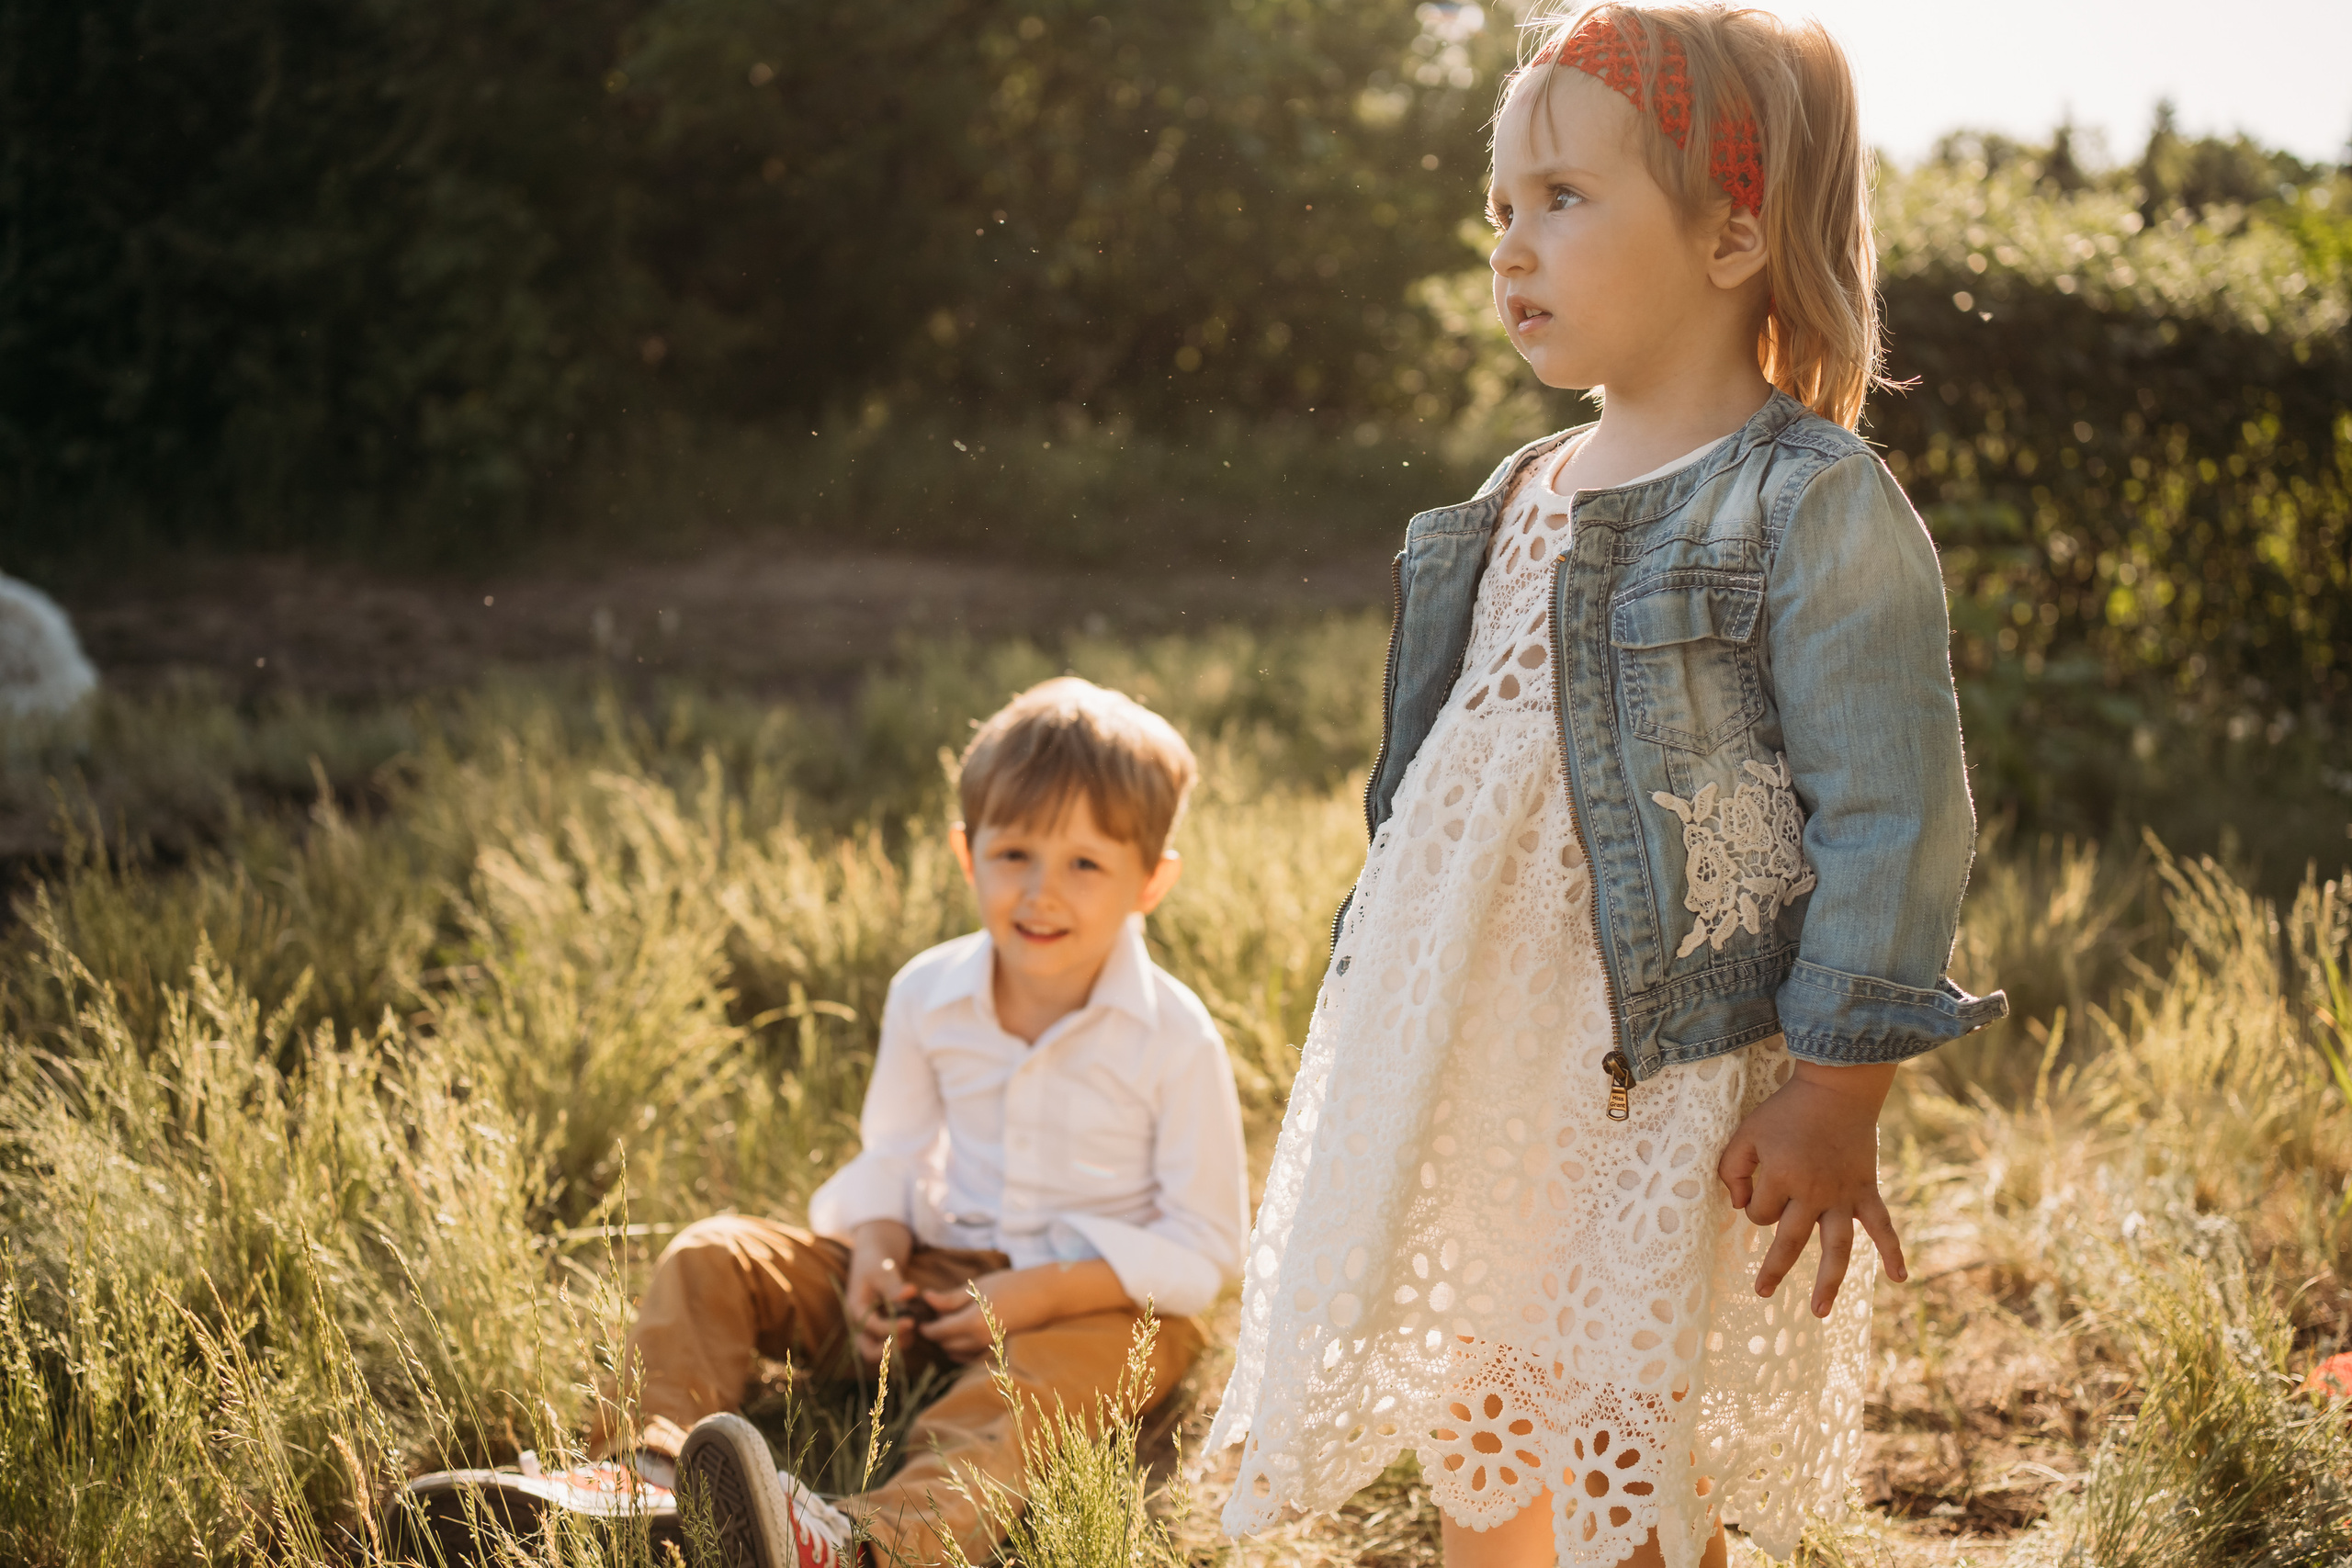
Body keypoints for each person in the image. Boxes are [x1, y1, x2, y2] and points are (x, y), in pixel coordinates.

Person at [1204, 7, 2006, 1567]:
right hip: (1479, 1059)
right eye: (1500, 207)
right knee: (1487, 1427)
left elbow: (1896, 812)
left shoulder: (1805, 500)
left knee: (1620, 1446)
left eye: (1564, 200)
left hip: (1657, 1071)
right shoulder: (1514, 494)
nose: (1513, 246)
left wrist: (1837, 1089)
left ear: (1732, 231)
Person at [407, 677, 1248, 1568]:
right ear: (969, 856)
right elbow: (893, 1155)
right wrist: (878, 1255)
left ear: (1150, 881)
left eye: (1085, 864)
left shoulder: (1173, 1035)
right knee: (714, 1255)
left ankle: (852, 1545)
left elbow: (1204, 1249)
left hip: (1100, 1304)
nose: (1041, 893)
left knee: (1017, 1402)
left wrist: (1037, 1295)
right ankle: (644, 1474)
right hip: (933, 1274)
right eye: (1015, 855)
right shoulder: (930, 993)